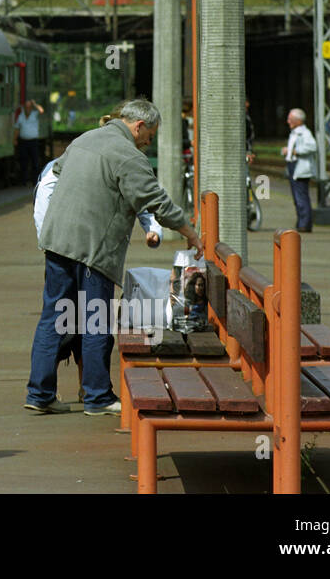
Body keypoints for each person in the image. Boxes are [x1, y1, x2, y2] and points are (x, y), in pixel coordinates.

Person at [26, 98, 203, 417]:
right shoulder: (127, 154)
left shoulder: (83, 140)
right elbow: (155, 199)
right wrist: (189, 231)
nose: (149, 143)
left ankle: (39, 394)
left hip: (56, 241)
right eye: (149, 136)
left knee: (53, 315)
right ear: (138, 126)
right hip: (93, 249)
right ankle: (97, 397)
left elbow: (58, 172)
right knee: (95, 318)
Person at [281, 107, 317, 233]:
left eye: (290, 119)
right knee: (297, 197)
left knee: (301, 196)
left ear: (298, 120)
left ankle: (305, 223)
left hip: (300, 168)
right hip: (294, 166)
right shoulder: (295, 132)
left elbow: (312, 146)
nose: (288, 121)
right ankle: (301, 221)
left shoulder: (305, 133)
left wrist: (296, 151)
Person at [14, 98, 46, 186]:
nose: (28, 108)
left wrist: (35, 104)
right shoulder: (21, 116)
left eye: (29, 107)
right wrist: (15, 139)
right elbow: (17, 128)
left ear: (31, 108)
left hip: (33, 142)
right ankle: (23, 181)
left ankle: (35, 181)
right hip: (23, 142)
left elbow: (41, 110)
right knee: (24, 162)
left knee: (35, 162)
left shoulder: (35, 114)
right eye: (26, 107)